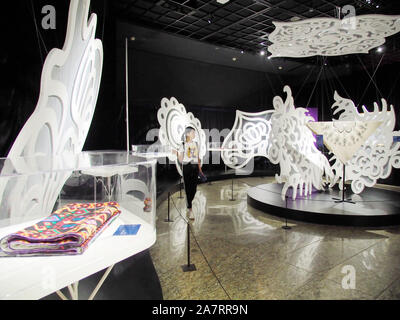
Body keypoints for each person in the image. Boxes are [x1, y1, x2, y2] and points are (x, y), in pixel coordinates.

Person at [173, 127, 204, 220]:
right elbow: (181, 160)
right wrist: (177, 154)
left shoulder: (196, 143)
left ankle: (189, 204)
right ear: (188, 134)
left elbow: (198, 157)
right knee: (188, 189)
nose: (194, 134)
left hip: (195, 168)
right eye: (193, 132)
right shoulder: (182, 145)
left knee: (193, 189)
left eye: (194, 132)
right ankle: (190, 209)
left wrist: (200, 169)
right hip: (186, 167)